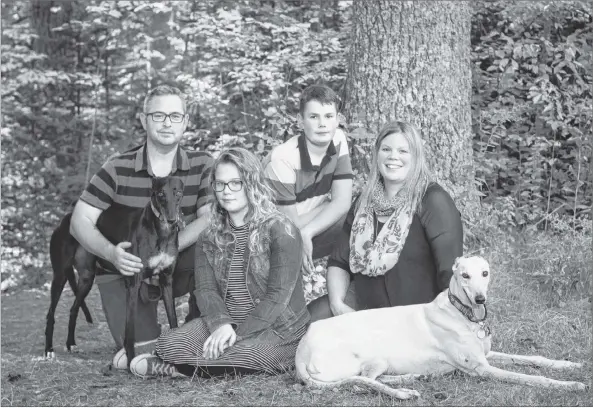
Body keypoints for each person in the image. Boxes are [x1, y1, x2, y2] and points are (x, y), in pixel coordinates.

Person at [128, 147, 310, 379]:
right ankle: (194, 363)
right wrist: (221, 325)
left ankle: (175, 369)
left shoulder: (282, 230)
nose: (227, 191)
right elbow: (205, 289)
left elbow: (277, 298)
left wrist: (235, 334)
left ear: (252, 183)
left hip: (278, 328)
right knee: (169, 343)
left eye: (236, 183)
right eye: (220, 184)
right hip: (227, 319)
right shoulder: (209, 235)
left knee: (248, 355)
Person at [69, 85, 214, 368]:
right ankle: (150, 337)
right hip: (126, 268)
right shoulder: (117, 167)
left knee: (216, 247)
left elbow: (208, 218)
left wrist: (164, 252)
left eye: (175, 115)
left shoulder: (201, 163)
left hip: (178, 262)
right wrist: (112, 253)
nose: (167, 122)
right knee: (138, 350)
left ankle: (197, 327)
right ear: (143, 119)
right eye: (158, 115)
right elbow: (79, 221)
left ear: (185, 121)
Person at [307, 121, 463, 321]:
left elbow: (451, 273)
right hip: (364, 308)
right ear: (377, 154)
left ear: (416, 157)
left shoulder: (433, 200)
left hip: (416, 317)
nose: (393, 157)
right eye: (386, 149)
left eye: (403, 151)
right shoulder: (363, 202)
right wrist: (338, 305)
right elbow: (339, 261)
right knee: (312, 320)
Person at [264, 84, 353, 273]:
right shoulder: (283, 158)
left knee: (360, 215)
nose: (323, 124)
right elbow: (288, 227)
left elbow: (344, 201)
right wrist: (326, 205)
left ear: (338, 119)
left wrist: (309, 231)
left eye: (329, 116)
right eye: (314, 117)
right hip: (268, 242)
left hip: (306, 229)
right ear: (300, 121)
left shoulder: (338, 139)